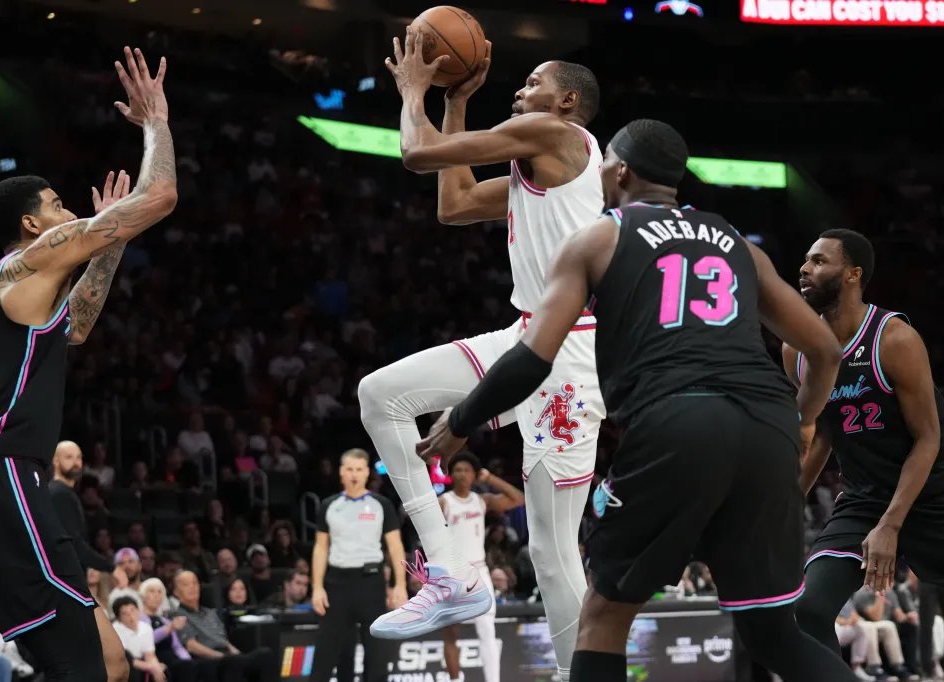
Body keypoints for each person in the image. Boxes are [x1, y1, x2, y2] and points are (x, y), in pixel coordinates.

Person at [415, 119, 857, 682]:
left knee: (603, 616)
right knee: (773, 633)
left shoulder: (600, 237)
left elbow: (531, 357)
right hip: (767, 427)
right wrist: (803, 422)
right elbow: (824, 349)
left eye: (604, 162)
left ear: (620, 170)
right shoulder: (735, 241)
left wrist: (460, 420)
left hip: (679, 419)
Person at [363, 28, 604, 682]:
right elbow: (456, 203)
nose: (521, 90)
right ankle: (453, 572)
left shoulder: (556, 135)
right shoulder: (541, 162)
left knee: (552, 551)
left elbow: (418, 155)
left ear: (567, 102)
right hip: (524, 333)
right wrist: (456, 101)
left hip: (570, 353)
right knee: (379, 395)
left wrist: (413, 90)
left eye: (534, 82)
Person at [0, 46, 175, 682]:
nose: (71, 214)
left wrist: (110, 243)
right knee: (80, 667)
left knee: (110, 663)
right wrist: (155, 122)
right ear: (31, 223)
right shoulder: (28, 262)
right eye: (59, 205)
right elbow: (161, 195)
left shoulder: (13, 290)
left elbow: (81, 325)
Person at [788, 228, 944, 679]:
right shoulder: (797, 350)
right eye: (806, 259)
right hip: (864, 499)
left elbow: (928, 438)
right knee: (808, 610)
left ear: (853, 274)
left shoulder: (894, 339)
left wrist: (892, 524)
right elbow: (822, 433)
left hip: (932, 493)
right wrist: (788, 499)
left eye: (819, 261)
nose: (804, 268)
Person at [310, 449, 408, 682]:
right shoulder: (329, 505)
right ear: (341, 473)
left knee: (376, 656)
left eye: (359, 469)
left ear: (366, 473)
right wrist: (317, 587)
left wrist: (400, 585)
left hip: (371, 584)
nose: (354, 474)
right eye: (349, 469)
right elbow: (321, 548)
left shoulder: (381, 504)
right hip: (337, 584)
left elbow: (395, 547)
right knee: (325, 656)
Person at [439, 452, 524, 682]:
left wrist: (490, 479)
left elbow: (518, 499)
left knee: (487, 631)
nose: (462, 474)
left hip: (479, 572)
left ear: (474, 475)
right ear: (451, 474)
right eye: (457, 470)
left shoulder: (482, 500)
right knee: (451, 633)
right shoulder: (444, 501)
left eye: (467, 470)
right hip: (452, 574)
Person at [49, 442, 130, 590]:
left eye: (78, 457)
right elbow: (73, 544)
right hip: (62, 579)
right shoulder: (59, 493)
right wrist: (112, 568)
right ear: (56, 461)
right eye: (69, 457)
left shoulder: (67, 493)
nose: (76, 463)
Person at [171, 571, 277, 682]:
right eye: (185, 584)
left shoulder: (210, 612)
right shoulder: (178, 615)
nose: (192, 587)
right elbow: (191, 646)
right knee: (233, 661)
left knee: (265, 654)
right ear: (175, 592)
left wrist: (239, 654)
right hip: (206, 659)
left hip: (227, 655)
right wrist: (221, 656)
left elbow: (223, 640)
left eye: (194, 583)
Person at [111, 596, 167, 682]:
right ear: (119, 617)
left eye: (132, 610)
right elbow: (126, 658)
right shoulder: (115, 631)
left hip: (142, 661)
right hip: (123, 664)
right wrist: (150, 667)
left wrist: (156, 668)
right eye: (125, 614)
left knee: (163, 671)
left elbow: (149, 655)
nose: (131, 616)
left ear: (138, 611)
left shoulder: (145, 627)